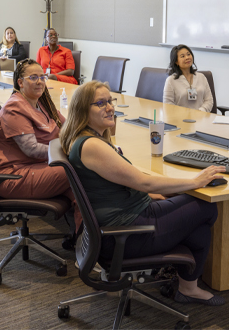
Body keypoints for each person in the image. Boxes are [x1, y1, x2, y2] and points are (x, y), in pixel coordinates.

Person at [60, 80, 226, 306]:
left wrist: (155, 194)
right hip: (127, 233)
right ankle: (186, 286)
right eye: (100, 103)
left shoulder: (86, 139)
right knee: (205, 207)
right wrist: (195, 181)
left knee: (196, 222)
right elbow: (144, 182)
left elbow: (127, 183)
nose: (109, 107)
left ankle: (188, 287)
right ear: (82, 110)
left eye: (110, 101)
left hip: (121, 223)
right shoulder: (91, 145)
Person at [0, 58, 81, 233]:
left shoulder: (42, 103)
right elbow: (31, 149)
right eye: (33, 77)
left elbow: (67, 128)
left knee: (84, 193)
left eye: (42, 77)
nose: (40, 81)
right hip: (15, 176)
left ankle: (86, 237)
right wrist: (70, 151)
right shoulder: (14, 108)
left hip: (38, 168)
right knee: (78, 169)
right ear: (20, 82)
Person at [163, 44, 213, 112]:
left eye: (188, 54)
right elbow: (168, 105)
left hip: (201, 117)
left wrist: (201, 111)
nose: (187, 57)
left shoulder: (202, 77)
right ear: (176, 61)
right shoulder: (171, 80)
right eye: (182, 56)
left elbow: (209, 100)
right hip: (180, 119)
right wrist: (186, 114)